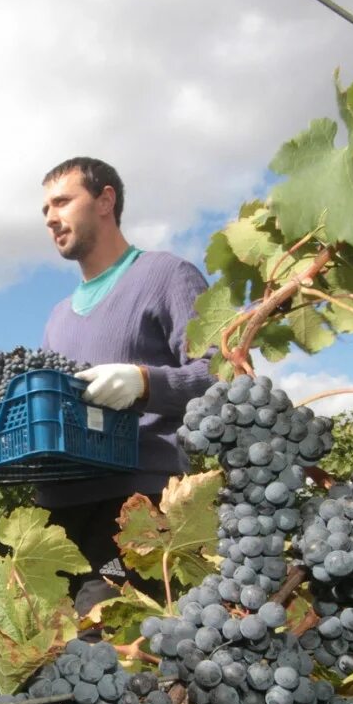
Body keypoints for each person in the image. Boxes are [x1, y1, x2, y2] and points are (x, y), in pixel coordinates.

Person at [37, 156, 214, 613]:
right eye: (45, 211)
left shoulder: (166, 276)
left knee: (103, 638)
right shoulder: (57, 316)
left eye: (61, 201)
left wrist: (144, 382)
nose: (51, 218)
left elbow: (222, 374)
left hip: (137, 505)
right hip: (62, 508)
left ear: (105, 200)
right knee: (44, 647)